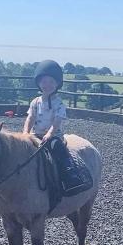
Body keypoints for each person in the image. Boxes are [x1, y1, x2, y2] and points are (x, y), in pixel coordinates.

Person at [23, 60, 89, 194]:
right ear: (39, 83)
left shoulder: (59, 103)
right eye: (44, 82)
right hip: (36, 135)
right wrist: (25, 133)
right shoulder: (35, 102)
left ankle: (70, 174)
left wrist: (50, 134)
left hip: (54, 136)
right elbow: (30, 118)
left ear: (57, 84)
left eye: (51, 82)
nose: (47, 85)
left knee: (57, 148)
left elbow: (57, 121)